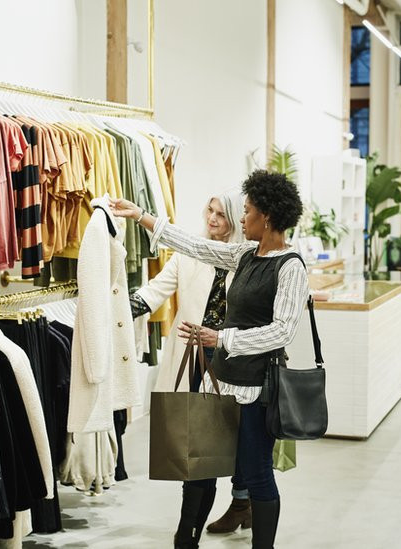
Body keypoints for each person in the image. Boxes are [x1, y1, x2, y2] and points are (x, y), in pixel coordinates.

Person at [111, 170, 309, 549]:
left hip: (255, 389)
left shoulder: (291, 267)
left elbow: (282, 330)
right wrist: (141, 216)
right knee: (199, 468)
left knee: (255, 474)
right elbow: (194, 246)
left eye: (247, 211)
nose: (241, 219)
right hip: (218, 381)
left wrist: (221, 337)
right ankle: (186, 540)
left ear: (265, 216)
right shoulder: (246, 254)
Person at [127, 193, 253, 545]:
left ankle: (213, 518)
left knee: (219, 450)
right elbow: (155, 291)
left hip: (229, 365)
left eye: (222, 215)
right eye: (209, 211)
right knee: (195, 453)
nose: (213, 219)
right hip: (190, 363)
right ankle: (188, 531)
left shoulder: (244, 261)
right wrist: (118, 310)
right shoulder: (188, 253)